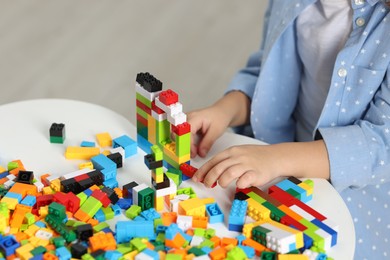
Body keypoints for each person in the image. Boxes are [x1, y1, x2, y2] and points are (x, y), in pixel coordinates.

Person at [187, 0, 390, 258]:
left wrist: (276, 159)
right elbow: (269, 74)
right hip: (275, 164)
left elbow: (381, 145)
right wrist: (225, 110)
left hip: (358, 201)